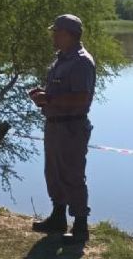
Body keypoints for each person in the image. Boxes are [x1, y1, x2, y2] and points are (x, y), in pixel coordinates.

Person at [28, 14, 96, 244]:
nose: (53, 36)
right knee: (54, 172)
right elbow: (58, 93)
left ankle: (80, 226)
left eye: (56, 32)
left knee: (72, 175)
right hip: (55, 125)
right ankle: (58, 218)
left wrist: (49, 99)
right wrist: (45, 98)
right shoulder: (61, 59)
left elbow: (81, 98)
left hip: (72, 127)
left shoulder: (81, 62)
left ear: (68, 34)